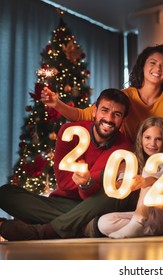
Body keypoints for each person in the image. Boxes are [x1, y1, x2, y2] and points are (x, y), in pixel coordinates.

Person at [0, 88, 140, 241]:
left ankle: (44, 232)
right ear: (94, 111)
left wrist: (87, 183)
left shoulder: (124, 149)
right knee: (5, 193)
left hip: (97, 203)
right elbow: (65, 183)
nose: (108, 118)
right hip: (65, 204)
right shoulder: (70, 132)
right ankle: (84, 226)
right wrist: (94, 180)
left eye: (117, 114)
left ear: (123, 121)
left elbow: (102, 192)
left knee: (114, 194)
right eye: (104, 110)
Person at [41, 44, 163, 152]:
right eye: (153, 63)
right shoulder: (125, 96)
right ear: (142, 66)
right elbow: (81, 115)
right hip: (125, 161)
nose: (158, 69)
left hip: (158, 166)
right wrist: (56, 103)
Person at [97, 117, 163, 238]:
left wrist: (145, 181)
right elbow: (124, 174)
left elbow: (162, 180)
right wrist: (120, 182)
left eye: (158, 139)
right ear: (141, 138)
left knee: (149, 168)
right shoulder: (134, 159)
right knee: (104, 223)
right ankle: (162, 229)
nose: (152, 144)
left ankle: (138, 222)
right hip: (154, 214)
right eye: (147, 138)